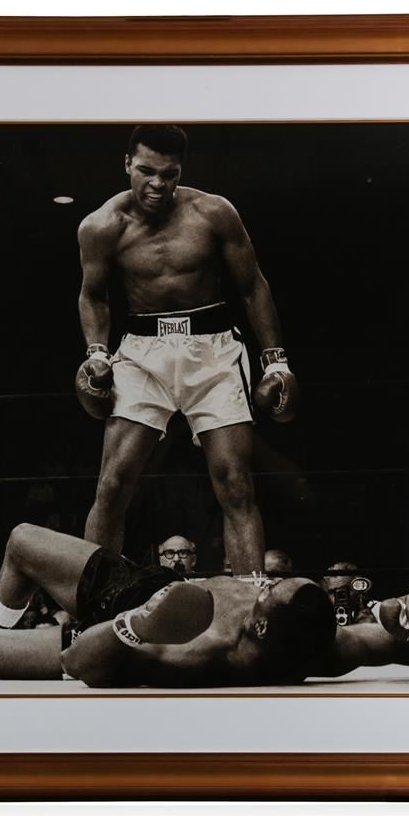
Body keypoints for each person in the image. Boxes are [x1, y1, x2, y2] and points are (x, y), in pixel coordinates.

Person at [74, 125, 298, 574]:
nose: (157, 184)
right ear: (127, 164)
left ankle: (249, 600)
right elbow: (92, 295)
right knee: (113, 484)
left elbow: (253, 286)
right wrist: (96, 353)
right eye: (146, 171)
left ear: (181, 171)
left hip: (212, 352)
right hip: (142, 354)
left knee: (235, 484)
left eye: (169, 174)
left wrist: (277, 361)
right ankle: (94, 601)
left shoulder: (213, 213)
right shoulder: (101, 226)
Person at [0, 523, 335, 687]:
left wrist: (137, 624)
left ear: (263, 629)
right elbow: (375, 639)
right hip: (140, 583)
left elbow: (80, 662)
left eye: (269, 592)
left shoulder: (204, 652)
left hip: (112, 637)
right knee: (22, 540)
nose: (259, 585)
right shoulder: (320, 636)